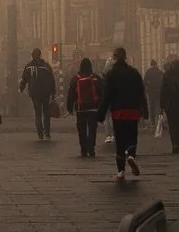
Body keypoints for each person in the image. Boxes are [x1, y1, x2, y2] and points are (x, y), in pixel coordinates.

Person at [98, 46, 148, 183]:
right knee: (132, 136)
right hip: (133, 111)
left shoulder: (111, 75)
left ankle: (121, 171)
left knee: (120, 141)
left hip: (118, 112)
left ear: (114, 58)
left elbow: (106, 96)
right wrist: (145, 109)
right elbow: (141, 93)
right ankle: (131, 154)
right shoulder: (134, 73)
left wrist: (101, 113)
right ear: (125, 58)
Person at [66, 56, 102, 157]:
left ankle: (83, 149)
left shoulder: (75, 79)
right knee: (92, 129)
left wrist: (69, 107)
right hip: (93, 108)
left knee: (81, 129)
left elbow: (71, 94)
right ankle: (91, 148)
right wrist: (100, 106)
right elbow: (101, 92)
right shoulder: (95, 77)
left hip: (80, 109)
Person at [19, 47, 57, 140]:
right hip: (46, 92)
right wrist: (53, 91)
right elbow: (52, 79)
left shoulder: (29, 67)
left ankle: (40, 133)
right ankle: (47, 133)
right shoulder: (46, 65)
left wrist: (21, 89)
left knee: (38, 113)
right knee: (46, 112)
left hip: (34, 93)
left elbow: (24, 79)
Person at [143, 59, 165, 138]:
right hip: (159, 91)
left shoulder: (148, 72)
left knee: (152, 106)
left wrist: (147, 88)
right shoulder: (160, 72)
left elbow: (145, 81)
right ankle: (160, 120)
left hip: (151, 92)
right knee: (159, 106)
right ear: (156, 64)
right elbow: (163, 81)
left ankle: (152, 122)